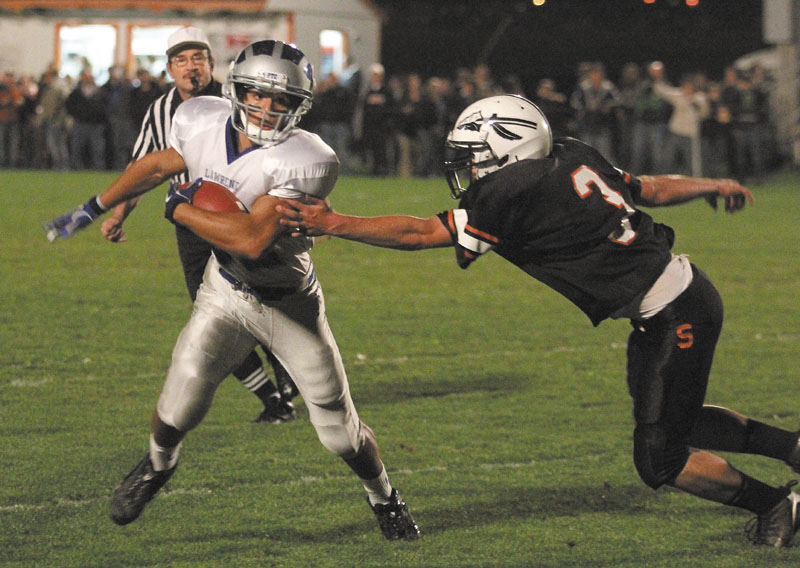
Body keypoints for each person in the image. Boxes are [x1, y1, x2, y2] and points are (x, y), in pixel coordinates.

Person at [277, 94, 800, 547]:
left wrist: (336, 222)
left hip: (673, 313)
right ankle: (793, 448)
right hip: (678, 298)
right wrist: (711, 184)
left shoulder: (514, 187)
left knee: (660, 458)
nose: (469, 168)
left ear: (512, 148)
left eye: (477, 156)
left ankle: (776, 505)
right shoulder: (569, 152)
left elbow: (420, 233)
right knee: (672, 420)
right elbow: (650, 189)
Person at [43, 39, 419, 541]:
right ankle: (158, 466)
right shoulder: (198, 118)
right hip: (225, 288)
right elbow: (159, 165)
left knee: (338, 430)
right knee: (180, 400)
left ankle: (384, 497)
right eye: (257, 95)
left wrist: (179, 209)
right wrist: (94, 206)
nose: (266, 108)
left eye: (280, 99)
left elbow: (253, 237)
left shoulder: (307, 158)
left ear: (298, 106)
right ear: (235, 89)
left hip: (289, 302)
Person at [98, 26, 298, 423]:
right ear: (170, 68)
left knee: (262, 301)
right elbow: (145, 169)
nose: (191, 67)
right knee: (209, 311)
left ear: (211, 63)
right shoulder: (160, 110)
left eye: (198, 58)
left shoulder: (238, 98)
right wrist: (120, 213)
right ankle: (272, 399)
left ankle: (289, 372)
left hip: (241, 216)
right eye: (182, 60)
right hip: (191, 223)